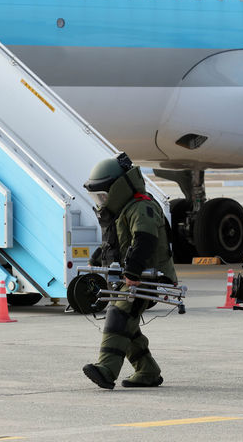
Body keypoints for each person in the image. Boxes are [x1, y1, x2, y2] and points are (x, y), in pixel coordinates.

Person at [82, 153, 177, 389]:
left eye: (103, 195)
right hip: (136, 275)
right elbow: (116, 244)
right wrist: (97, 259)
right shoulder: (124, 209)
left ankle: (106, 370)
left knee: (119, 315)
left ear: (118, 188)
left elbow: (144, 239)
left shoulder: (141, 206)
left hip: (147, 276)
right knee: (128, 325)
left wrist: (132, 272)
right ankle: (147, 370)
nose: (101, 200)